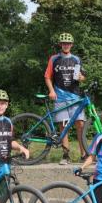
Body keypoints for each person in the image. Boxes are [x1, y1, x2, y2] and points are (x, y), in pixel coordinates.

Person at [44, 32, 87, 165]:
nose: (66, 45)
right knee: (63, 126)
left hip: (75, 97)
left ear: (71, 45)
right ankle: (65, 155)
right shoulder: (54, 59)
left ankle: (84, 154)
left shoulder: (76, 59)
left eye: (68, 43)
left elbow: (82, 76)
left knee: (80, 125)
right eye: (64, 43)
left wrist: (81, 77)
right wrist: (51, 91)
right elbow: (47, 77)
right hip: (60, 97)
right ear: (60, 44)